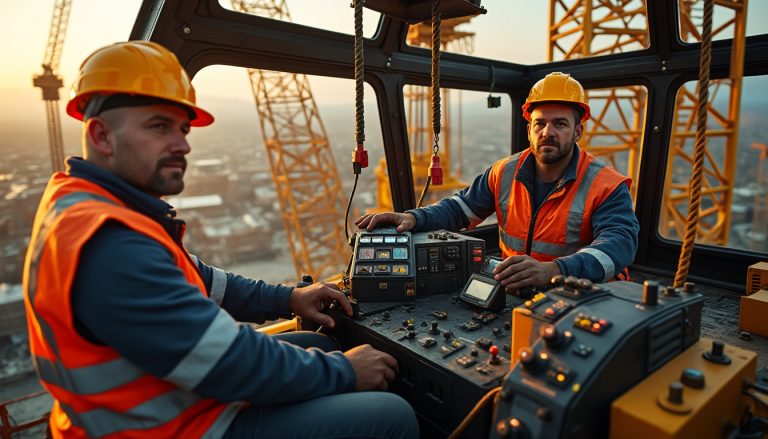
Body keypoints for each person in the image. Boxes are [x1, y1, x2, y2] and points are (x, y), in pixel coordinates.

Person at [23, 41, 417, 439]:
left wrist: (288, 299)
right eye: (159, 127)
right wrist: (345, 372)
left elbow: (205, 281)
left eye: (182, 129)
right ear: (101, 136)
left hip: (164, 401)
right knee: (390, 415)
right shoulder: (110, 244)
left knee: (324, 345)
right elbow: (227, 364)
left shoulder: (93, 206)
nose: (183, 145)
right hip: (162, 429)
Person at [356, 72, 639, 292]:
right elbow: (459, 209)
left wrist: (553, 271)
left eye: (560, 124)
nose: (547, 132)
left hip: (582, 297)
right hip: (517, 289)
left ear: (578, 131)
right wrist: (413, 218)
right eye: (540, 123)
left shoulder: (605, 185)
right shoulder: (504, 172)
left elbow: (618, 246)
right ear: (529, 129)